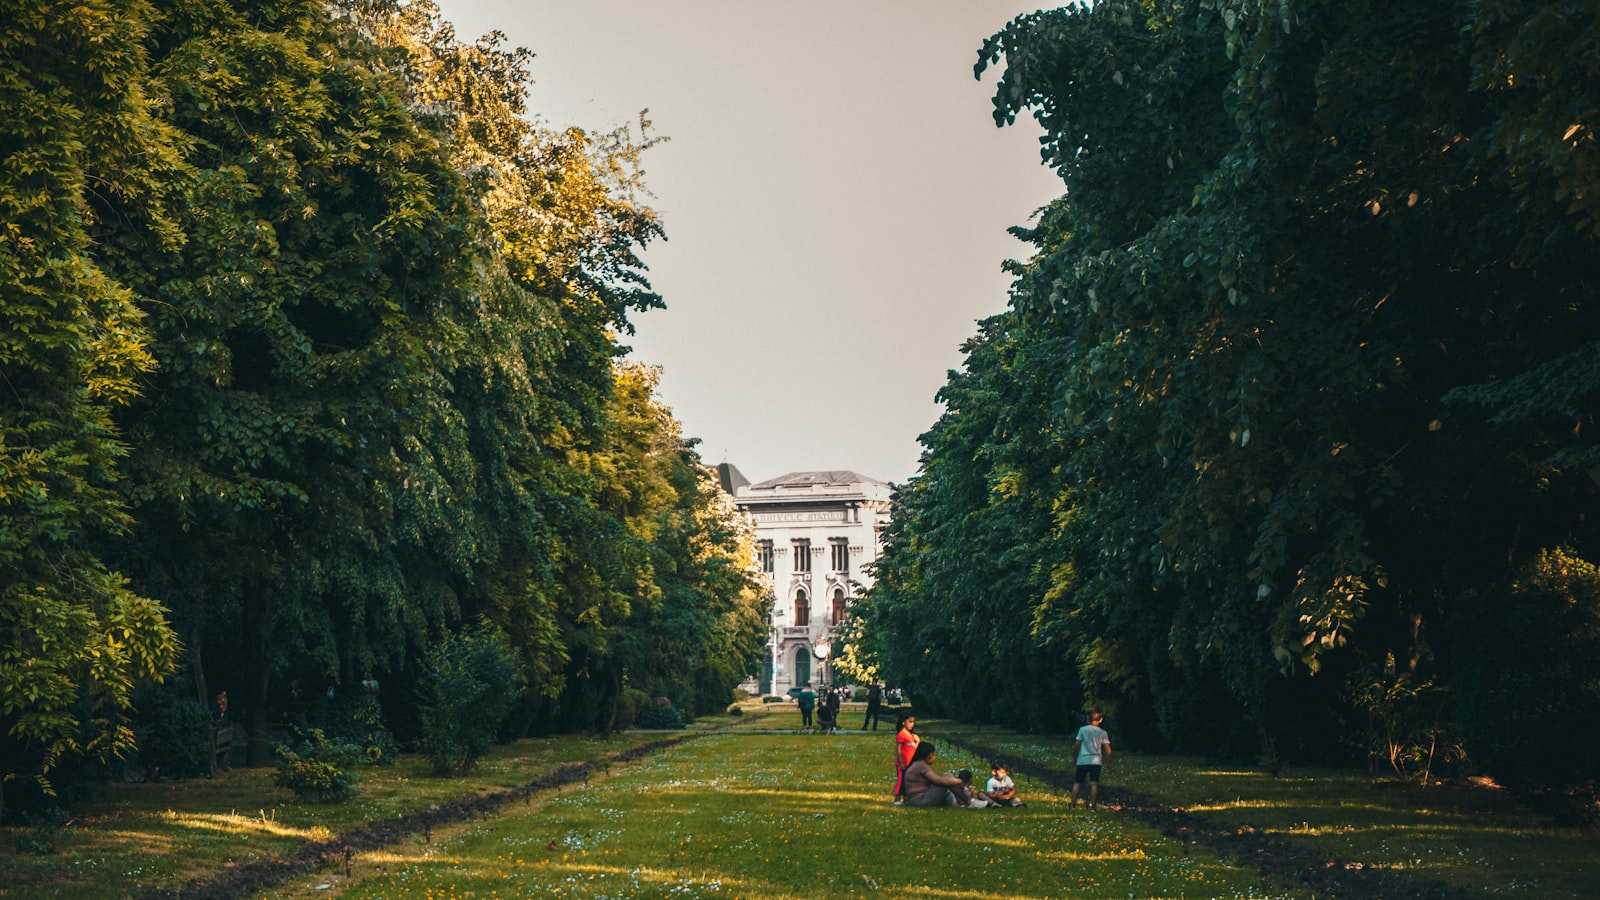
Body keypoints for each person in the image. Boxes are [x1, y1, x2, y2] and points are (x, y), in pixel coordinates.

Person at [1071, 706, 1112, 810]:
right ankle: (1093, 807)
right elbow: (1108, 750)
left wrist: (1074, 758)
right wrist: (1109, 763)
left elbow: (1077, 744)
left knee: (1077, 783)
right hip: (1096, 761)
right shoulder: (1103, 732)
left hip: (1083, 760)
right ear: (1101, 720)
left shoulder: (1082, 730)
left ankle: (1072, 805)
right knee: (1094, 784)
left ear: (1087, 718)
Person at [901, 741, 965, 806]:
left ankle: (960, 802)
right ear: (930, 755)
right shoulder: (921, 765)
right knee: (946, 781)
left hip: (918, 799)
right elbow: (938, 781)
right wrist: (958, 781)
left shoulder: (917, 764)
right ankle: (968, 801)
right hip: (920, 800)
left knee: (947, 775)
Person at [892, 710, 920, 803]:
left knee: (908, 781)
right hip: (903, 763)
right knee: (901, 780)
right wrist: (901, 762)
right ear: (903, 722)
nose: (912, 724)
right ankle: (897, 798)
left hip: (910, 762)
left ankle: (906, 798)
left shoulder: (911, 735)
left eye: (913, 722)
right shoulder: (901, 735)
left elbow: (914, 750)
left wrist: (917, 742)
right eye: (910, 722)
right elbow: (899, 750)